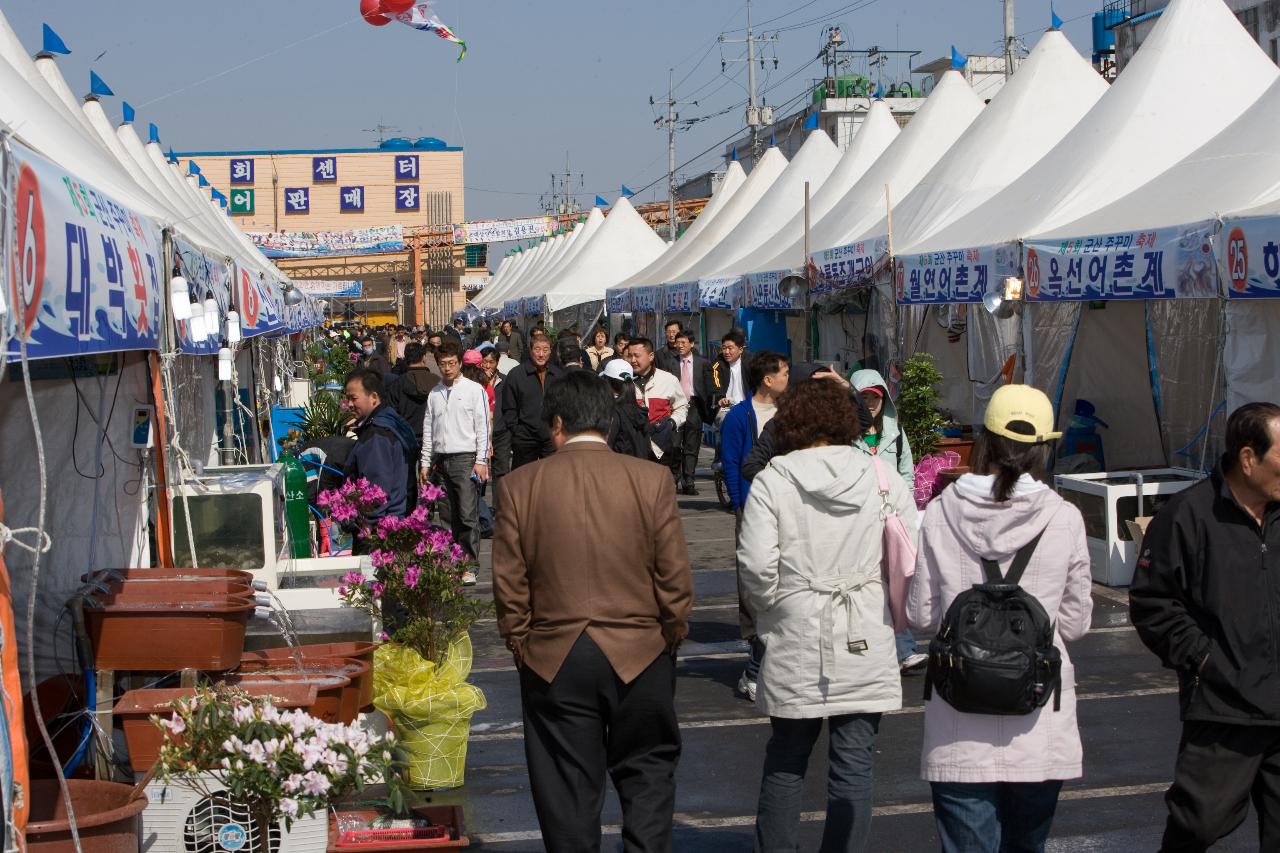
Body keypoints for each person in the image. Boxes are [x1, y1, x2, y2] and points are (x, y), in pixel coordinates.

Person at [492, 370, 693, 853]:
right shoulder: (651, 479)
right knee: (647, 775)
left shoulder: (520, 485)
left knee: (566, 793)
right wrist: (670, 633)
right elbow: (673, 575)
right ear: (605, 420)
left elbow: (509, 582)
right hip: (640, 649)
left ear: (556, 423)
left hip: (553, 655)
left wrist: (521, 641)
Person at [909, 385, 1093, 853]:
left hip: (957, 726)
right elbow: (1073, 626)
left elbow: (923, 617)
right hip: (1039, 723)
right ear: (1043, 450)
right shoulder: (1064, 518)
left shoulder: (941, 513)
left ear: (984, 442)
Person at [739, 378, 915, 853]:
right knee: (854, 761)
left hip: (795, 629)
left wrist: (775, 606)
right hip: (864, 627)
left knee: (787, 757)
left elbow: (756, 566)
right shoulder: (881, 475)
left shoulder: (774, 478)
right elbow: (907, 553)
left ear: (790, 421)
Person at [1130, 402, 1280, 852]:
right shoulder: (1189, 515)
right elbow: (1152, 602)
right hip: (1223, 706)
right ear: (1249, 458)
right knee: (1197, 826)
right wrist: (1204, 658)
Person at [719, 351, 789, 702]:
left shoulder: (790, 412)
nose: (788, 378)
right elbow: (731, 462)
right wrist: (739, 501)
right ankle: (755, 646)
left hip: (787, 507)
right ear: (767, 378)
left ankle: (766, 654)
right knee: (752, 573)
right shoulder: (739, 416)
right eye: (784, 372)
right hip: (752, 504)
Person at [850, 369, 926, 675]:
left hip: (891, 520)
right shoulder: (845, 434)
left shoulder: (895, 433)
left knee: (896, 584)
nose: (870, 403)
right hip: (858, 521)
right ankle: (874, 649)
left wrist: (903, 506)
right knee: (867, 586)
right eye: (864, 396)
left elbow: (906, 472)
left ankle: (905, 649)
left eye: (875, 397)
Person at [419, 342, 490, 584]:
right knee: (447, 516)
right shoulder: (434, 393)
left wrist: (481, 460)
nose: (447, 368)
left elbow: (483, 426)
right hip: (441, 460)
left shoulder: (473, 390)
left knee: (467, 514)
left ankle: (470, 565)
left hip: (465, 457)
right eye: (443, 364)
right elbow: (428, 429)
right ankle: (453, 561)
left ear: (460, 363)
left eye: (452, 363)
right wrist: (425, 462)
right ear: (437, 365)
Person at [342, 369, 418, 524]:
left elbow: (377, 490)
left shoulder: (377, 434)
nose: (349, 404)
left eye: (354, 398)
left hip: (382, 527)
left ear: (374, 397)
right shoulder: (389, 420)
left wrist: (367, 525)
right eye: (347, 399)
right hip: (396, 519)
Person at [626, 337, 689, 474]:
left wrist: (672, 422)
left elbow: (682, 406)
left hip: (662, 448)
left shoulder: (668, 380)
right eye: (629, 356)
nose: (633, 360)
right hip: (631, 449)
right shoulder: (623, 382)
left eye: (637, 356)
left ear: (651, 356)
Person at [501, 336, 564, 469]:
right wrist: (517, 431)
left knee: (552, 477)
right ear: (530, 350)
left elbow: (564, 405)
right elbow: (508, 407)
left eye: (545, 350)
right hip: (524, 438)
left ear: (550, 351)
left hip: (551, 437)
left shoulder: (558, 375)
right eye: (537, 349)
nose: (541, 354)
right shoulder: (516, 375)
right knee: (523, 481)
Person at [672, 330, 711, 496]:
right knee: (674, 445)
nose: (680, 346)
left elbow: (708, 386)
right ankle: (673, 480)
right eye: (677, 343)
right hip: (674, 406)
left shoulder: (702, 363)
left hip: (694, 405)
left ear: (692, 344)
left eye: (683, 343)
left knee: (691, 446)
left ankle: (689, 481)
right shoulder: (669, 362)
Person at [384, 342, 440, 445]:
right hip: (434, 436)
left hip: (406, 438)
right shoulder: (437, 382)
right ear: (424, 358)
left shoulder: (397, 384)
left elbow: (391, 413)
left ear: (405, 359)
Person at [601, 359, 654, 461]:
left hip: (620, 469)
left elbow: (608, 445)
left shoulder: (613, 411)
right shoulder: (639, 410)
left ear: (607, 381)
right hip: (641, 468)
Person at [710, 328, 748, 426]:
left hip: (747, 405)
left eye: (730, 348)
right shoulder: (717, 364)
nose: (726, 352)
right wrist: (720, 398)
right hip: (726, 406)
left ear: (740, 349)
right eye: (724, 348)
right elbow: (715, 383)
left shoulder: (751, 362)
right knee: (727, 422)